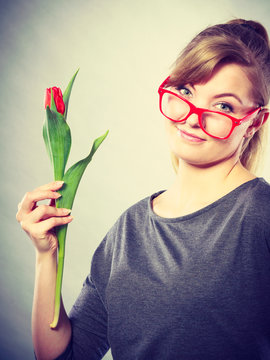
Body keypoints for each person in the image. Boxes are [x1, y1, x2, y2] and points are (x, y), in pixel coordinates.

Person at [16, 18, 270, 360]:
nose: (193, 117)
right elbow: (65, 356)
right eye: (185, 92)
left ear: (254, 122)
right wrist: (46, 255)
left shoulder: (260, 216)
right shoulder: (130, 228)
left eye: (223, 106)